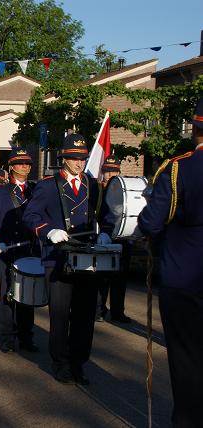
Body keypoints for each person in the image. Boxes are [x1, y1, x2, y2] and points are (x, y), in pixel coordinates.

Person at [137, 98, 203, 428]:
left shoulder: (178, 168)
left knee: (187, 359)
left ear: (194, 128)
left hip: (184, 277)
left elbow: (150, 222)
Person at [23, 133, 105, 386]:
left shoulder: (93, 185)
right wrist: (48, 231)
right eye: (74, 158)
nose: (79, 163)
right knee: (60, 316)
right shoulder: (48, 185)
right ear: (64, 159)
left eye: (82, 158)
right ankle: (60, 363)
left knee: (85, 315)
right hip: (57, 258)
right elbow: (31, 216)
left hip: (87, 257)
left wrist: (106, 232)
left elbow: (104, 215)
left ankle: (79, 363)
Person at [0, 148, 39, 353]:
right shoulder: (0, 192)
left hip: (29, 249)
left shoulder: (35, 190)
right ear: (11, 166)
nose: (25, 166)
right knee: (8, 294)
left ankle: (26, 335)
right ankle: (7, 336)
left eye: (28, 164)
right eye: (20, 163)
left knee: (28, 295)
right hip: (9, 248)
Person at [97, 154, 132, 323]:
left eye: (114, 171)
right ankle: (99, 310)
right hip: (102, 238)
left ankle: (118, 312)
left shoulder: (124, 192)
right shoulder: (97, 190)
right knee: (101, 277)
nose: (110, 174)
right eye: (107, 171)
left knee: (120, 278)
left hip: (122, 239)